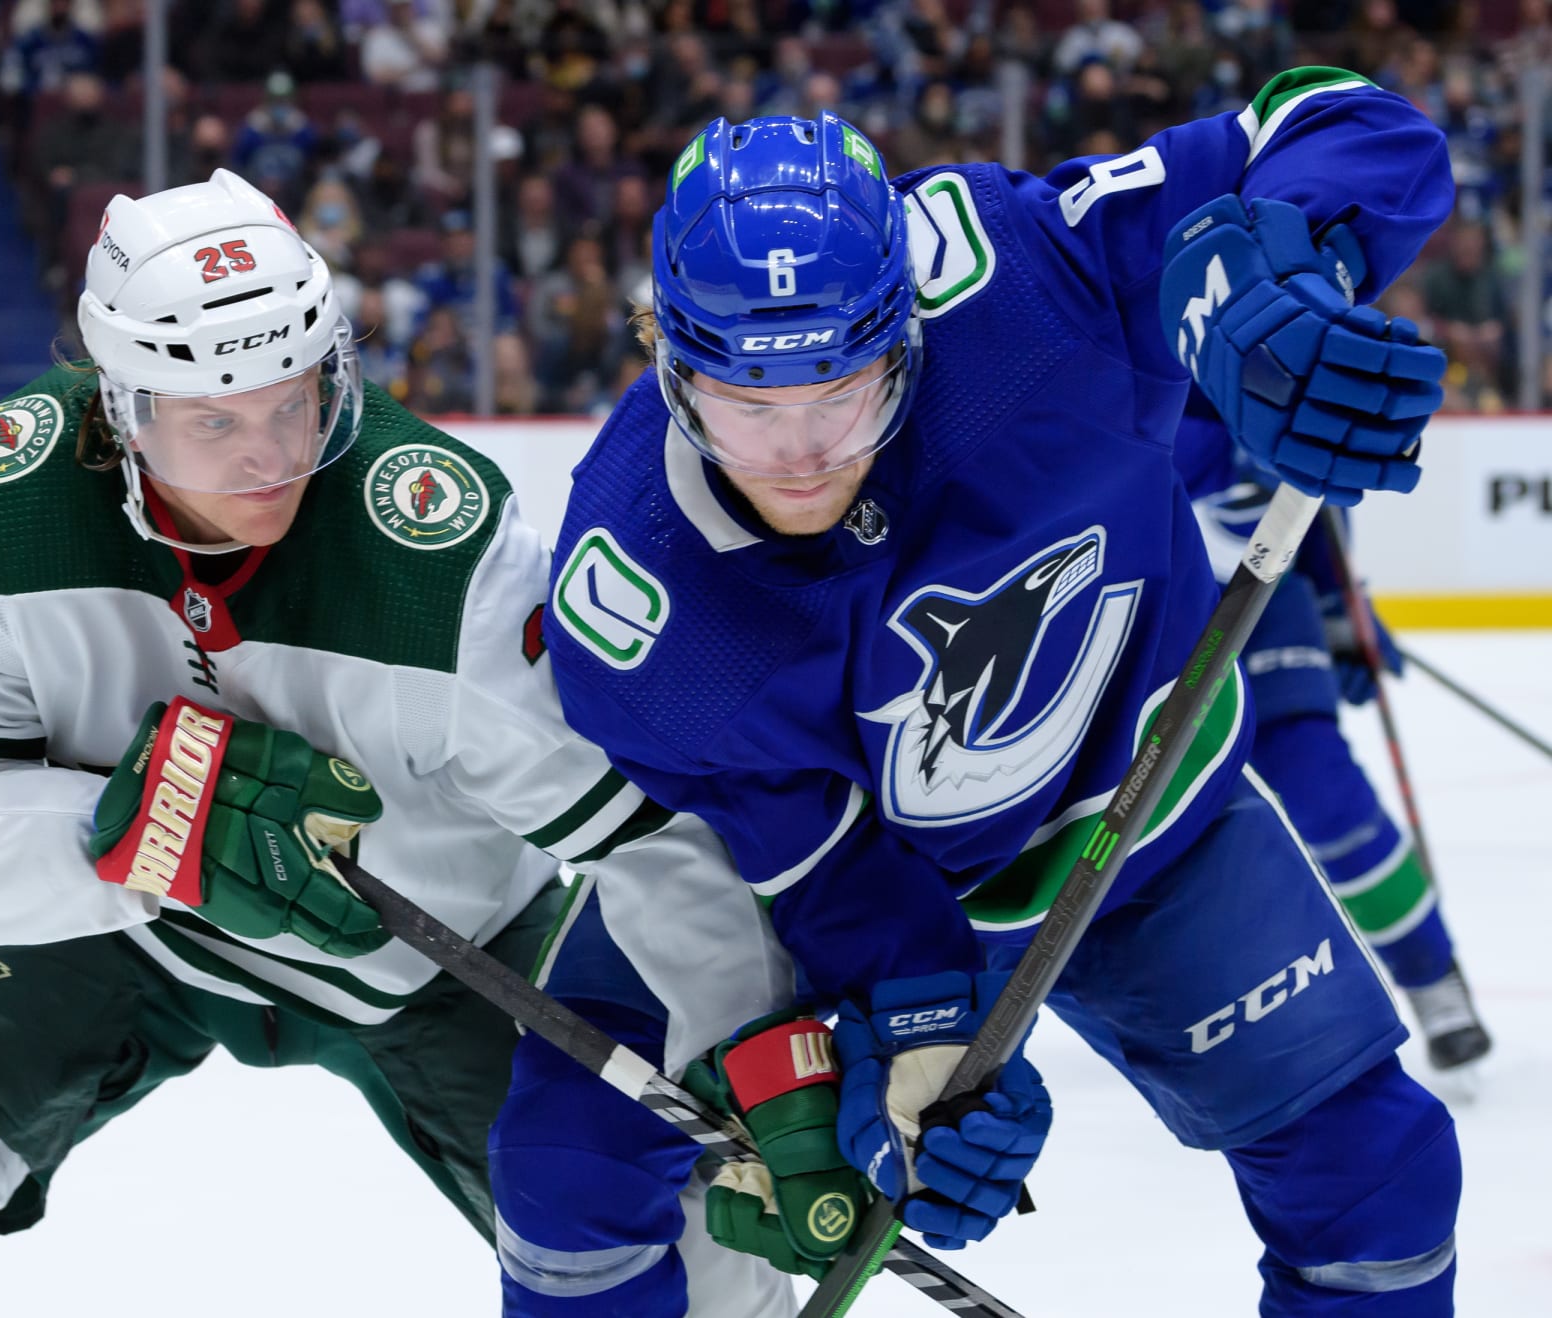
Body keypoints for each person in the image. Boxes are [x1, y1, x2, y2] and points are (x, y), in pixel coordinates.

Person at [0, 169, 796, 1318]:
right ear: (119, 406)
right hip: (110, 932)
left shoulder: (441, 556)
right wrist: (138, 831)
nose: (266, 459)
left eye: (293, 403)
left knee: (697, 1270)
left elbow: (643, 838)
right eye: (213, 423)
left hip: (434, 949)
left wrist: (767, 1056)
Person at [531, 74, 1464, 1315]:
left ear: (909, 331)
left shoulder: (1024, 280)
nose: (802, 454)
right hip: (831, 878)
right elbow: (815, 865)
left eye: (843, 393)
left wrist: (1276, 269)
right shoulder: (639, 597)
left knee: (1376, 1174)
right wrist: (917, 1022)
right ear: (669, 363)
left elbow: (1355, 123)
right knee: (566, 1153)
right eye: (749, 409)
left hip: (1136, 808)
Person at [1178, 394, 1492, 1071]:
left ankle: (1430, 974)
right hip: (1148, 606)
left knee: (1324, 794)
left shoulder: (1260, 327)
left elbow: (1312, 493)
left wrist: (1339, 606)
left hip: (1264, 602)